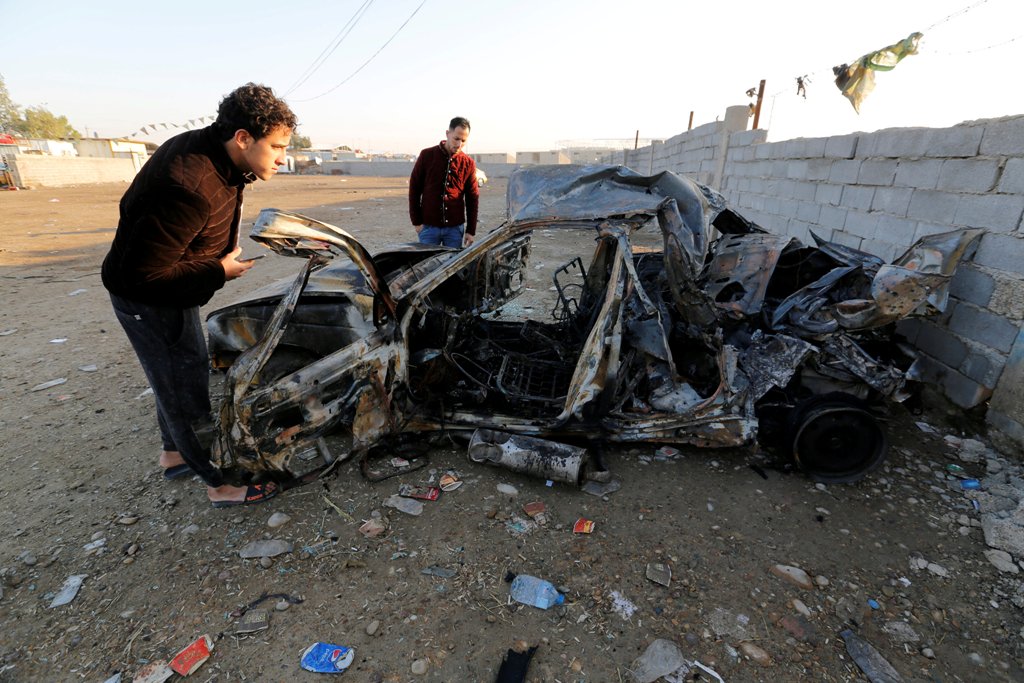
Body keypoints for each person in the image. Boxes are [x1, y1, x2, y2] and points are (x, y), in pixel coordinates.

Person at [102, 83, 296, 508]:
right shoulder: (189, 181)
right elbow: (146, 276)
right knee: (184, 385)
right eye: (277, 147)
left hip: (171, 290)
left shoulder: (215, 155)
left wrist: (209, 258)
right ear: (243, 138)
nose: (283, 158)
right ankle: (220, 483)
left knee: (174, 375)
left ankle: (174, 455)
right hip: (150, 301)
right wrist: (217, 269)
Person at [409, 116, 480, 248]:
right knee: (428, 267)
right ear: (448, 134)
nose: (459, 144)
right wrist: (417, 222)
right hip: (428, 228)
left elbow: (472, 198)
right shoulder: (427, 156)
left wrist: (471, 230)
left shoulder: (468, 163)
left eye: (464, 141)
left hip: (454, 230)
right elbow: (414, 189)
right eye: (456, 138)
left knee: (452, 266)